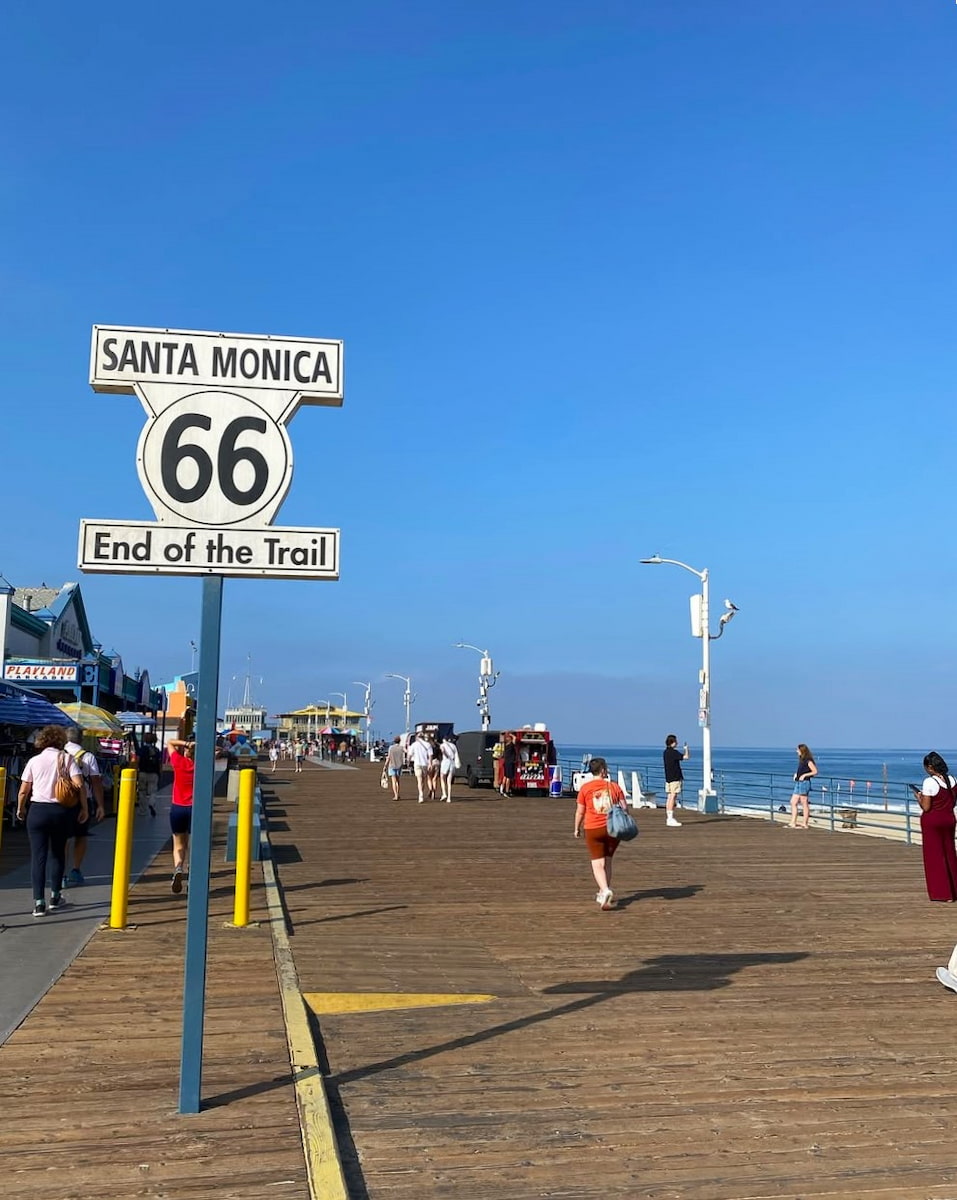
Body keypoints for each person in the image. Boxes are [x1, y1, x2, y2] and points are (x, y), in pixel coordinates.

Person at [16, 724, 85, 917]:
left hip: (37, 811)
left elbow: (23, 791)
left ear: (42, 740)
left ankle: (39, 903)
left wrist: (21, 809)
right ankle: (55, 897)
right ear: (61, 739)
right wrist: (84, 809)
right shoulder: (67, 759)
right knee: (58, 854)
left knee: (38, 857)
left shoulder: (34, 761)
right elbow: (80, 785)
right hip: (60, 812)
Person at [573, 757, 628, 910]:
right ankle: (603, 893)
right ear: (603, 770)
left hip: (593, 828)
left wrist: (576, 828)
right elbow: (625, 809)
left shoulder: (585, 789)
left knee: (597, 864)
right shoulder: (615, 787)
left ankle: (605, 890)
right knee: (608, 861)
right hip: (613, 829)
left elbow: (580, 812)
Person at [63, 725, 106, 886]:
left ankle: (61, 873)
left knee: (64, 839)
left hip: (62, 802)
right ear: (81, 739)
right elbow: (96, 782)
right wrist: (100, 805)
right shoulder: (87, 757)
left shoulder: (59, 755)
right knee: (81, 836)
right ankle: (75, 869)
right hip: (83, 803)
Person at [913, 752, 957, 902]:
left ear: (931, 767)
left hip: (933, 821)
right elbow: (952, 801)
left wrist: (919, 797)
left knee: (935, 857)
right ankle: (954, 890)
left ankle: (943, 893)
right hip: (949, 818)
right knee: (950, 853)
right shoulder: (952, 780)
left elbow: (926, 807)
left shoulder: (930, 782)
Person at [167, 738, 196, 894]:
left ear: (186, 751)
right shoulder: (201, 766)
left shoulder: (178, 762)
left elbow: (170, 742)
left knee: (178, 845)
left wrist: (186, 744)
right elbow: (219, 751)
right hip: (194, 809)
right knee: (193, 845)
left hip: (178, 808)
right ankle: (192, 874)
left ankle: (178, 868)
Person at [788, 743, 818, 829]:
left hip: (804, 783)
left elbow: (815, 771)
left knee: (804, 803)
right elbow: (801, 770)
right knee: (793, 802)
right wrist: (796, 775)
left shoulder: (808, 761)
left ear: (802, 750)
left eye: (797, 750)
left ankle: (805, 823)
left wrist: (804, 775)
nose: (796, 751)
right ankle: (793, 822)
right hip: (798, 783)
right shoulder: (802, 760)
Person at [662, 735, 689, 828]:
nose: (677, 743)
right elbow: (686, 757)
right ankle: (670, 818)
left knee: (669, 797)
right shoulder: (674, 753)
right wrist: (686, 749)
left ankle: (669, 817)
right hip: (675, 778)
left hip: (668, 777)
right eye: (676, 741)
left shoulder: (665, 752)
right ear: (672, 742)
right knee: (673, 796)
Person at [137, 733, 161, 817]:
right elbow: (159, 763)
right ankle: (151, 803)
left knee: (142, 791)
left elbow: (137, 760)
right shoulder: (156, 750)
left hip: (143, 772)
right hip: (154, 773)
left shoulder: (142, 749)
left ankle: (142, 810)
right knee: (153, 791)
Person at [406, 732, 433, 802]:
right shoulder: (428, 744)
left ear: (417, 737)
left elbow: (409, 755)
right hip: (425, 764)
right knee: (423, 780)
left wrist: (408, 762)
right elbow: (430, 755)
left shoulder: (414, 745)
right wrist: (430, 764)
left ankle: (420, 795)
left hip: (417, 764)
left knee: (419, 780)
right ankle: (421, 794)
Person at [384, 736, 405, 800]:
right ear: (400, 741)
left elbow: (388, 757)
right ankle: (397, 794)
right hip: (399, 765)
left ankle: (395, 795)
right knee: (398, 781)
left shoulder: (391, 748)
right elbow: (406, 752)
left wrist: (385, 765)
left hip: (392, 765)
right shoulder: (401, 748)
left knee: (394, 781)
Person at [439, 734, 458, 802]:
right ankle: (449, 797)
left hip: (445, 762)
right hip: (452, 762)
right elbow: (456, 755)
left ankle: (444, 793)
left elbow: (443, 752)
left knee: (442, 777)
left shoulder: (442, 745)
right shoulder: (454, 746)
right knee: (449, 781)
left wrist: (446, 755)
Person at [502, 733, 518, 797]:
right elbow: (515, 738)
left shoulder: (506, 745)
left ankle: (502, 790)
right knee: (508, 777)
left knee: (505, 776)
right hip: (510, 763)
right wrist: (511, 734)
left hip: (506, 762)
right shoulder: (511, 745)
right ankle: (507, 791)